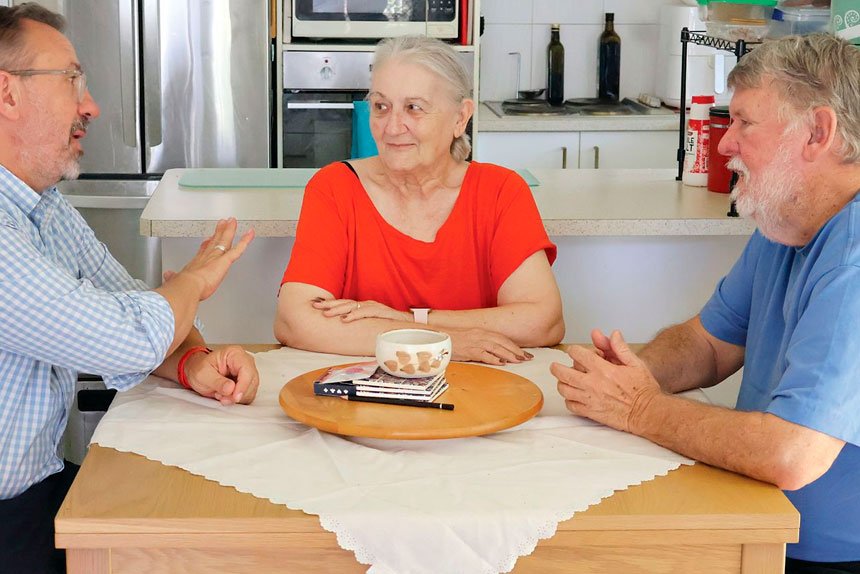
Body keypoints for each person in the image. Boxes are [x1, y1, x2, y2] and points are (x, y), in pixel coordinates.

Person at [552, 33, 860, 573]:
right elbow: (708, 344)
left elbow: (791, 453)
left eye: (744, 122)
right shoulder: (785, 223)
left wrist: (638, 407)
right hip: (758, 517)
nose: (723, 144)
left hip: (826, 553)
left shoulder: (852, 260)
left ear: (817, 132)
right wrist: (627, 375)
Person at [0, 5, 258, 572]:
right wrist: (192, 282)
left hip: (35, 494)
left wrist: (194, 363)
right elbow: (128, 336)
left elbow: (132, 308)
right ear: (8, 94)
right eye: (72, 80)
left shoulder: (45, 207)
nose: (90, 105)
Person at [275, 35, 564, 364]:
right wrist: (448, 341)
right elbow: (293, 321)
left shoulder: (500, 192)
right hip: (367, 406)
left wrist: (407, 321)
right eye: (382, 107)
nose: (393, 127)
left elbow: (544, 321)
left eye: (414, 108)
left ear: (460, 118)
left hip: (485, 396)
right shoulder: (335, 188)